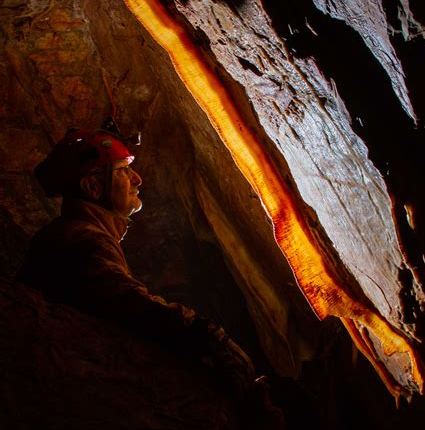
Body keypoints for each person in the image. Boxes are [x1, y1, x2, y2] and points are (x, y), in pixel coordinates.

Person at [17, 121, 255, 397]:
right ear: (93, 186)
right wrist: (209, 336)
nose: (137, 179)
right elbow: (129, 303)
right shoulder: (83, 240)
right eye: (123, 170)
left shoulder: (76, 233)